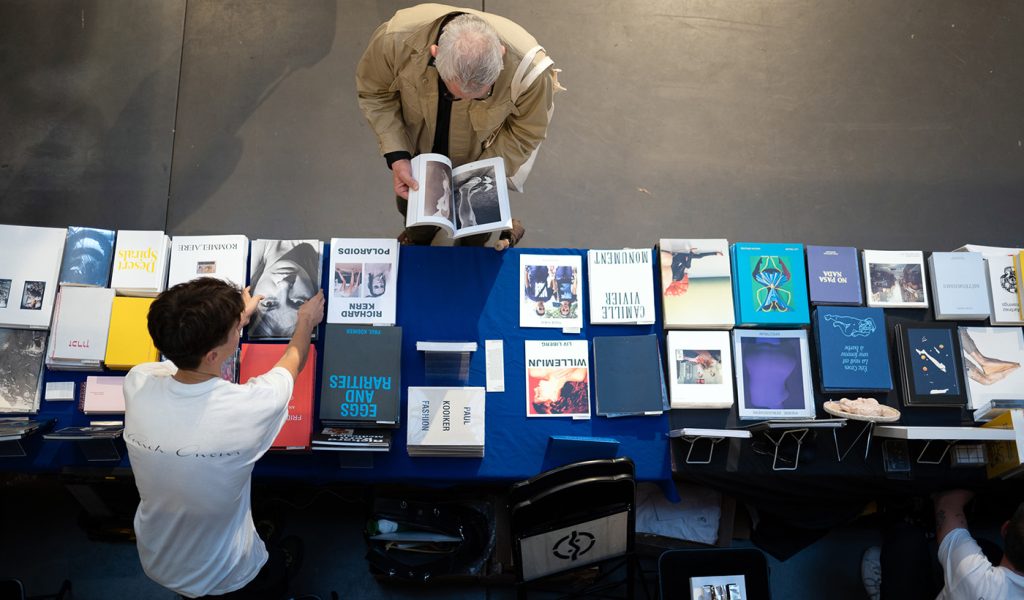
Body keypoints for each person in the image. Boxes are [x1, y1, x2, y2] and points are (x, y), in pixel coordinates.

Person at [123, 278, 324, 599]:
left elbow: (191, 372)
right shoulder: (250, 407)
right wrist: (305, 322)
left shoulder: (138, 381)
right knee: (268, 583)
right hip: (230, 574)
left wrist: (229, 320)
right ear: (214, 354)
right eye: (235, 329)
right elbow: (292, 363)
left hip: (158, 555)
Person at [356, 4, 561, 246]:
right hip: (418, 155)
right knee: (416, 223)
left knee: (475, 231)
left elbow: (527, 131)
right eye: (452, 93)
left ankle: (477, 239)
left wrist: (481, 178)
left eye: (482, 96)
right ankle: (417, 237)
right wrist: (398, 154)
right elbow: (375, 93)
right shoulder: (394, 41)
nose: (465, 102)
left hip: (484, 157)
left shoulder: (531, 71)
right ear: (435, 53)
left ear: (502, 53)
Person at [862, 490, 1024, 600]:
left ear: (1005, 529)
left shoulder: (974, 576)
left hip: (970, 584)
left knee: (905, 539)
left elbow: (946, 501)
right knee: (988, 550)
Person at [248, 240, 321, 338]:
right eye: (298, 302)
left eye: (269, 303)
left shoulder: (248, 258)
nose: (284, 284)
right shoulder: (321, 254)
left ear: (251, 296)